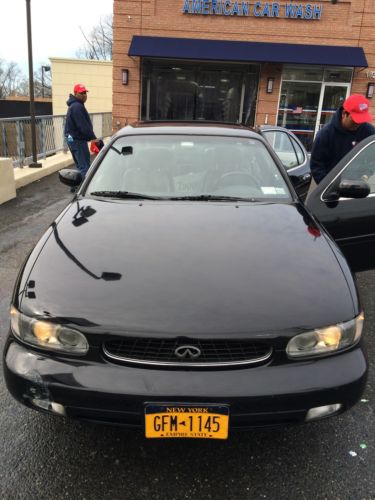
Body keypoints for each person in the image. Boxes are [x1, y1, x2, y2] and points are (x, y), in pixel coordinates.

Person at [310, 93, 375, 184]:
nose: (358, 124)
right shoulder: (325, 134)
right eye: (355, 120)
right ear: (344, 114)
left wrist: (366, 174)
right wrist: (327, 187)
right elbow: (317, 165)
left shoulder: (369, 132)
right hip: (332, 188)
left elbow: (373, 157)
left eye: (361, 120)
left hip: (359, 186)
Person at [64, 83, 98, 177]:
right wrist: (93, 138)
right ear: (75, 93)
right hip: (77, 140)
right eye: (81, 93)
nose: (84, 95)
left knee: (80, 165)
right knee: (85, 167)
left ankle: (76, 187)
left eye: (85, 93)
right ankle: (84, 189)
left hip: (72, 139)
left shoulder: (75, 105)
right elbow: (83, 126)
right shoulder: (77, 107)